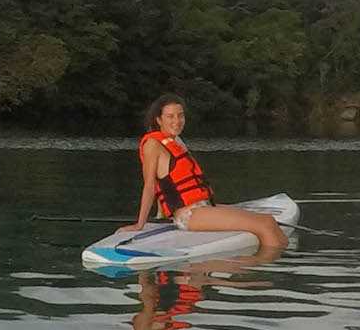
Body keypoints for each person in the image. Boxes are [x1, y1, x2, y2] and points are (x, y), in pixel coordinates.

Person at [123, 93, 287, 249]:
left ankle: (279, 262)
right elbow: (150, 186)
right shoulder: (153, 144)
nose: (177, 121)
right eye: (170, 116)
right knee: (263, 225)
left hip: (203, 207)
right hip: (189, 215)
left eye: (180, 115)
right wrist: (140, 224)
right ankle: (270, 267)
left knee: (268, 220)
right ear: (159, 120)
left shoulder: (176, 142)